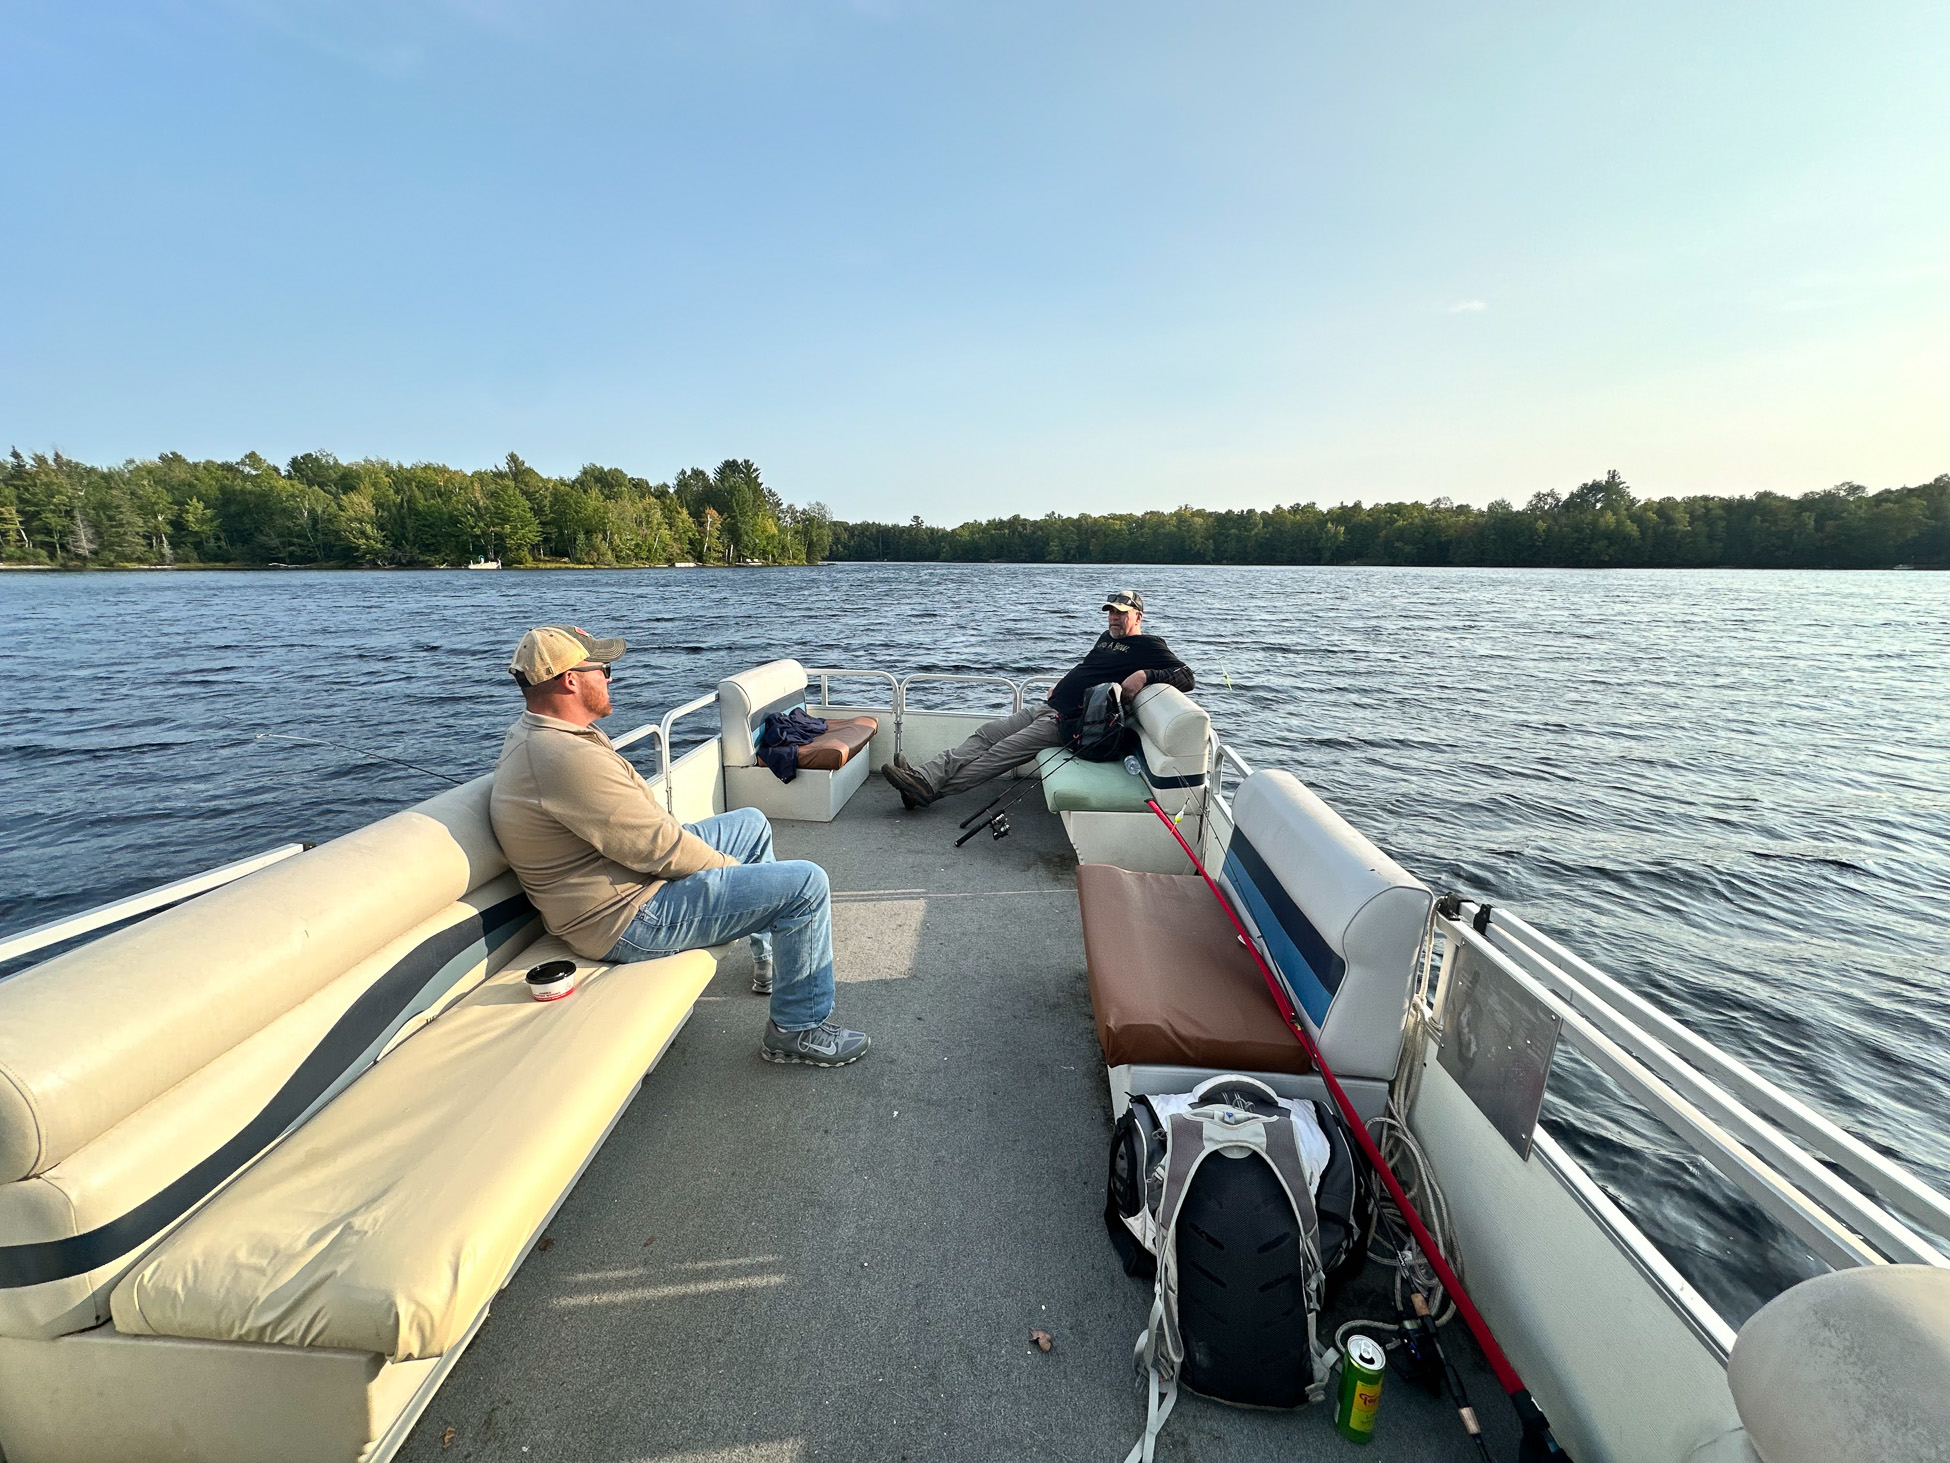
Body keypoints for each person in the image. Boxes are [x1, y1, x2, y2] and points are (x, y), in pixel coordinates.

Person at [489, 625, 869, 1067]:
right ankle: (797, 1029)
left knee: (750, 823)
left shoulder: (553, 735)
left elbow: (645, 839)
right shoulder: (563, 757)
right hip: (625, 917)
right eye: (603, 670)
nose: (611, 679)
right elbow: (661, 850)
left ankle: (771, 962)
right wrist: (729, 869)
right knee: (805, 885)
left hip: (627, 878)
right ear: (570, 680)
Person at [881, 590, 1194, 808]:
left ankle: (926, 789)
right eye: (1110, 612)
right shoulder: (1106, 638)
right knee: (985, 735)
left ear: (1137, 616)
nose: (1113, 617)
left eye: (1121, 613)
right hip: (1047, 706)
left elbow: (1186, 676)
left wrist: (1144, 676)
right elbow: (1088, 668)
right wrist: (1063, 684)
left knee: (997, 755)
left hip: (1067, 722)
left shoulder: (1150, 646)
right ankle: (924, 777)